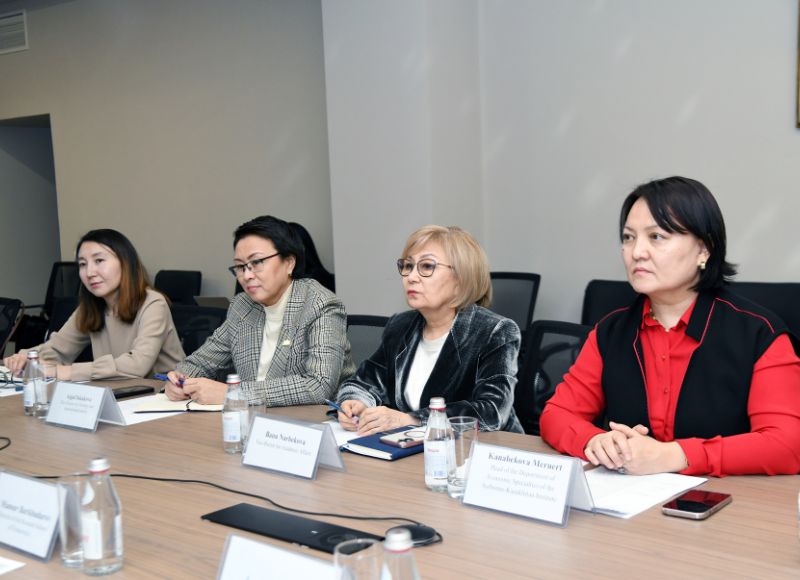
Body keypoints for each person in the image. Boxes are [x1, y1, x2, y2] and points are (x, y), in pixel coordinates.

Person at [540, 176, 800, 477]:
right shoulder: (609, 332)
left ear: (704, 250)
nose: (637, 251)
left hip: (729, 500)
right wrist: (595, 440)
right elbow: (556, 414)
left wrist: (676, 456)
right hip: (630, 499)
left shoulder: (759, 333)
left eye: (656, 236)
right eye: (628, 237)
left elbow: (787, 445)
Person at [336, 225, 523, 435]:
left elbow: (492, 412)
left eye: (426, 266)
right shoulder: (400, 326)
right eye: (408, 266)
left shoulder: (495, 331)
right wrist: (356, 402)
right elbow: (364, 382)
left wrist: (411, 420)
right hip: (415, 446)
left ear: (461, 278)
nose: (411, 277)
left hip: (483, 449)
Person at [164, 215, 354, 406]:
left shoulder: (320, 304)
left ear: (289, 263)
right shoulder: (242, 306)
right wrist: (180, 380)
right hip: (252, 417)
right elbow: (200, 362)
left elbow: (318, 385)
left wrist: (233, 394)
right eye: (240, 266)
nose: (247, 275)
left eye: (257, 262)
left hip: (310, 419)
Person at [3, 229, 185, 381]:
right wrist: (27, 357)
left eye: (99, 261)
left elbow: (137, 365)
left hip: (163, 397)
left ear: (125, 263)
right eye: (82, 264)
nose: (89, 272)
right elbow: (58, 349)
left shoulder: (153, 303)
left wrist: (62, 371)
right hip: (117, 393)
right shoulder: (92, 307)